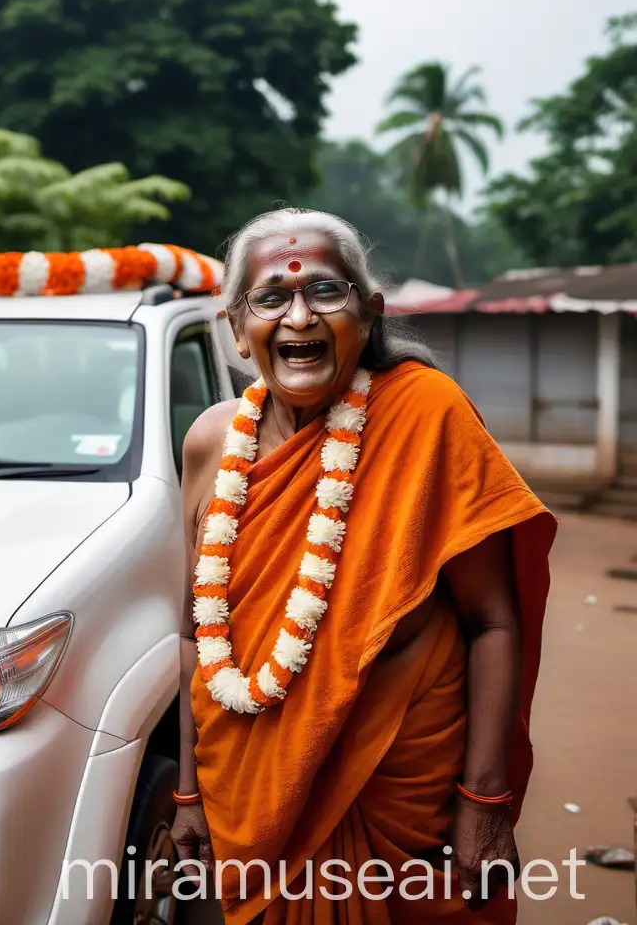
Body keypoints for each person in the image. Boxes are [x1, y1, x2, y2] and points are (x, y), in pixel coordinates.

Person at [171, 207, 557, 924]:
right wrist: (189, 794)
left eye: (325, 291)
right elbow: (199, 637)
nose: (298, 317)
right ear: (234, 326)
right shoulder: (209, 444)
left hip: (402, 796)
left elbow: (493, 620)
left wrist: (485, 800)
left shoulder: (427, 415)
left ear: (369, 311)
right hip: (252, 795)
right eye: (271, 297)